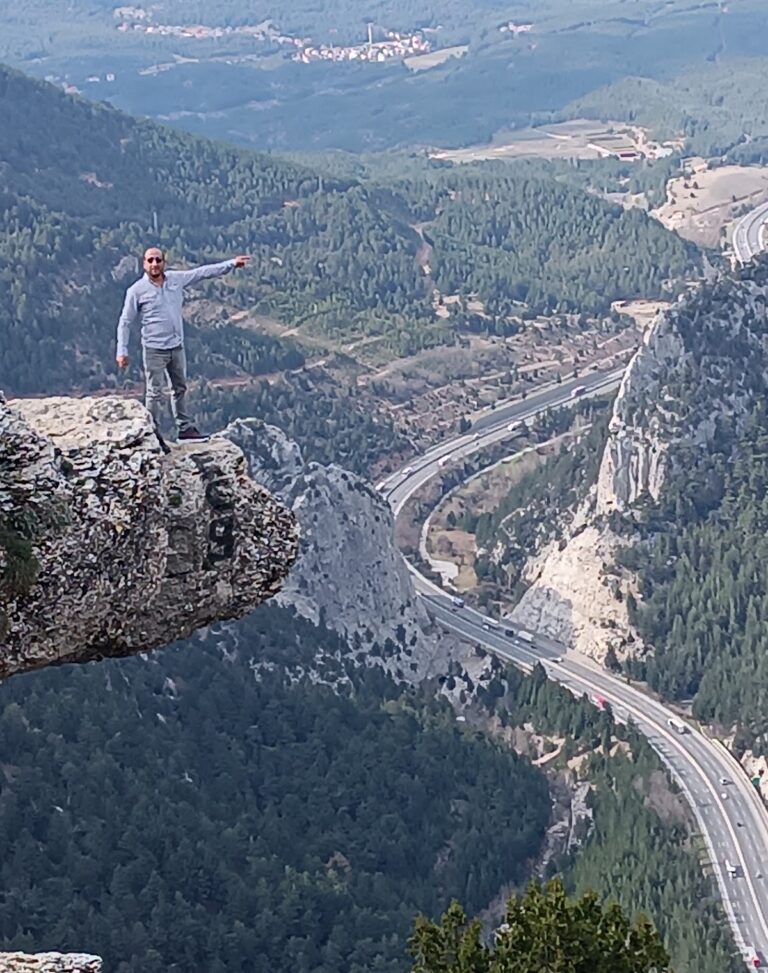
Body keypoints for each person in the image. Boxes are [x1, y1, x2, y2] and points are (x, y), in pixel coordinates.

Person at [116, 247, 251, 443]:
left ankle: (185, 429)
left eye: (158, 260)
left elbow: (201, 272)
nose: (154, 264)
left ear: (164, 262)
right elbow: (125, 322)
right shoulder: (136, 291)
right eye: (150, 260)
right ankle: (151, 432)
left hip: (176, 346)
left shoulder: (175, 279)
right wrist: (122, 350)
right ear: (144, 263)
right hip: (154, 349)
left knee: (179, 388)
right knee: (154, 392)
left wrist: (230, 264)